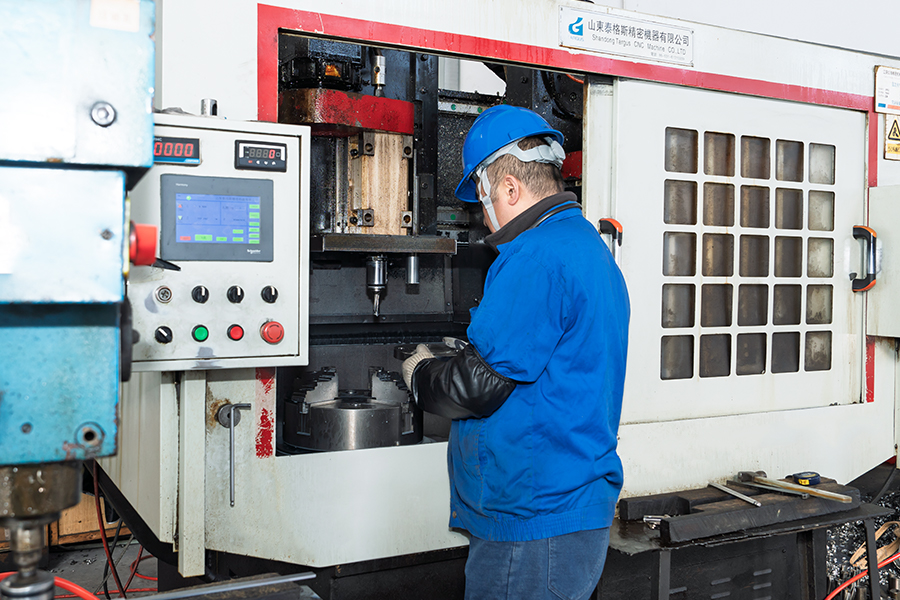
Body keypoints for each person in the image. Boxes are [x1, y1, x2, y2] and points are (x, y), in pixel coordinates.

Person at [402, 105, 630, 600]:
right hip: (565, 508)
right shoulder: (585, 246)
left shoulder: (535, 255)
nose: (484, 220)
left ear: (509, 188)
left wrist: (420, 373)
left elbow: (478, 386)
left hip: (533, 523)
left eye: (483, 202)